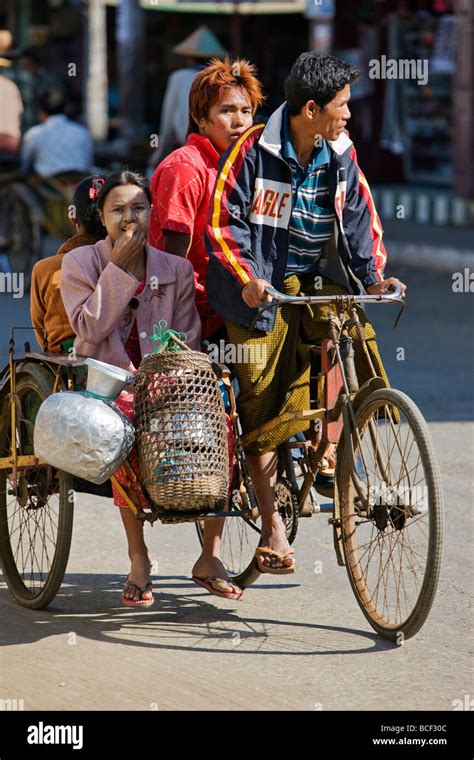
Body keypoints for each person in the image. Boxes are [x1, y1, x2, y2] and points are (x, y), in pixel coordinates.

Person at [206, 52, 407, 573]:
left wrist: (374, 278)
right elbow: (225, 226)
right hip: (258, 288)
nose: (347, 115)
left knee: (356, 334)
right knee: (262, 402)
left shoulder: (341, 151)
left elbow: (362, 221)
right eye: (340, 106)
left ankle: (359, 435)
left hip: (317, 276)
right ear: (311, 109)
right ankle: (273, 529)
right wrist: (249, 280)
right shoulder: (252, 152)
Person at [60, 170, 240, 607]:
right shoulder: (81, 264)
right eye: (117, 210)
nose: (129, 219)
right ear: (101, 218)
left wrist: (166, 378)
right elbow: (89, 327)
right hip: (106, 381)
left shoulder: (175, 268)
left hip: (165, 377)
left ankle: (209, 556)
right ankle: (139, 560)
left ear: (151, 213)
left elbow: (184, 337)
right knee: (119, 431)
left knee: (222, 420)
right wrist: (118, 270)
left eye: (138, 209)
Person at [148, 57, 265, 340]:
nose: (239, 121)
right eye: (227, 111)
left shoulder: (249, 167)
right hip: (193, 312)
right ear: (201, 118)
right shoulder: (186, 167)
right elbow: (172, 261)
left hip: (240, 301)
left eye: (246, 111)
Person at [30, 175, 106, 354]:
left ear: (73, 217)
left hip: (64, 362)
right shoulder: (133, 264)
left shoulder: (45, 269)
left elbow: (42, 333)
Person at [147, 26, 227, 171]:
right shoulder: (222, 79)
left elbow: (167, 119)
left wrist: (159, 154)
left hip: (188, 144)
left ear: (189, 58)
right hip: (217, 147)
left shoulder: (178, 77)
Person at [20, 89, 93, 178]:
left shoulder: (34, 134)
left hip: (49, 187)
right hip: (79, 183)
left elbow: (24, 166)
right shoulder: (82, 131)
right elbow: (88, 163)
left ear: (41, 111)